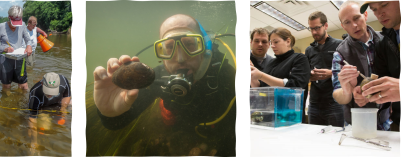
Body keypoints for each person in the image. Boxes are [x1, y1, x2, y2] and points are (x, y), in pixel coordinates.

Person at [93, 14, 236, 156]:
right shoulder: (158, 78)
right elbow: (114, 124)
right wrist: (108, 113)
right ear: (161, 54)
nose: (180, 58)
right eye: (169, 47)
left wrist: (213, 148)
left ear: (204, 49)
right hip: (180, 126)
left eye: (190, 44)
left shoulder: (226, 76)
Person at [331, 0, 390, 130]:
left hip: (384, 119)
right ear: (343, 26)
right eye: (347, 22)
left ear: (365, 15)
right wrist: (347, 90)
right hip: (356, 122)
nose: (354, 25)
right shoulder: (340, 54)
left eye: (357, 18)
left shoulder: (387, 41)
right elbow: (337, 95)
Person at [250, 27, 311, 123]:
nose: (272, 46)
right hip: (268, 117)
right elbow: (259, 88)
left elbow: (295, 85)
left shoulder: (299, 58)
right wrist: (251, 74)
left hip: (289, 117)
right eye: (271, 42)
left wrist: (261, 75)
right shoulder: (271, 63)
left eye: (276, 42)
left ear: (288, 41)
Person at [361, 0, 401, 131]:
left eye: (384, 5)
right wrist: (367, 92)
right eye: (374, 9)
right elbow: (383, 82)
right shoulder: (383, 42)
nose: (379, 14)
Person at [304, 11, 344, 127]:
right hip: (314, 103)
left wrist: (332, 73)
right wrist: (309, 75)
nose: (314, 32)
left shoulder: (340, 45)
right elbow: (305, 73)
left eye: (317, 28)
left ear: (326, 25)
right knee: (314, 138)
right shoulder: (308, 50)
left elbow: (349, 71)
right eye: (311, 29)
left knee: (335, 138)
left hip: (335, 102)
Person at [27, 72, 71, 155]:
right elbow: (32, 119)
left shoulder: (63, 81)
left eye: (52, 91)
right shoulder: (35, 94)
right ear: (42, 83)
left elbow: (67, 95)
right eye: (48, 91)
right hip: (43, 108)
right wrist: (34, 142)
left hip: (58, 104)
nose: (50, 94)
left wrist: (63, 111)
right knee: (45, 128)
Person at [0, 5, 33, 92]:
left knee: (24, 86)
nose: (15, 26)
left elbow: (28, 40)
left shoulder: (23, 25)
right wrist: (5, 49)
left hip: (19, 60)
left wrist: (29, 46)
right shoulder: (1, 26)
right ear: (9, 17)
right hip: (5, 61)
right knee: (6, 87)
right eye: (13, 23)